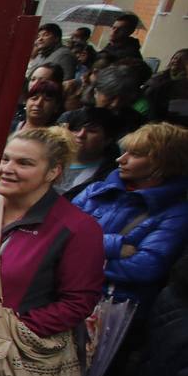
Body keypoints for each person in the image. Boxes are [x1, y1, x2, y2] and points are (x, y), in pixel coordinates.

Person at [0, 128, 104, 376]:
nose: (8, 169)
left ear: (53, 172)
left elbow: (78, 301)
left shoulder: (76, 228)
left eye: (24, 163)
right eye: (5, 159)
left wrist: (15, 330)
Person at [73, 122, 188, 312]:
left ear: (163, 163)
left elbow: (145, 267)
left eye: (135, 154)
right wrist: (114, 245)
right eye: (125, 151)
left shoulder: (177, 212)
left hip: (110, 308)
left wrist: (73, 255)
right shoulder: (96, 190)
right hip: (63, 293)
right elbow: (55, 235)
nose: (120, 159)